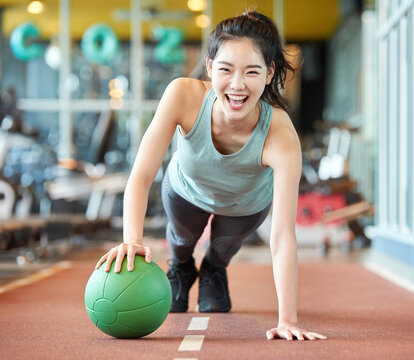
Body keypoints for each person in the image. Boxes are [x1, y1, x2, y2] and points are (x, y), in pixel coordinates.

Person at [95, 11, 327, 341]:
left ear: (269, 73)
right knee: (182, 240)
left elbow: (282, 235)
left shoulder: (280, 135)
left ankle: (214, 271)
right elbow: (142, 174)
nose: (237, 84)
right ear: (209, 67)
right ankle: (182, 267)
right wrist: (131, 239)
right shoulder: (183, 95)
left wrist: (287, 318)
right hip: (186, 189)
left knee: (221, 247)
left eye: (251, 72)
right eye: (226, 70)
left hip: (245, 203)